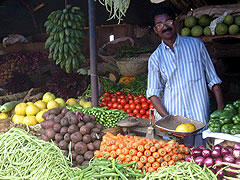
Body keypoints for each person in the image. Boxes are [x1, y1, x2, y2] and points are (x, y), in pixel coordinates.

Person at [146, 7, 224, 147]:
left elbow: (213, 80)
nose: (165, 27)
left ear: (175, 23)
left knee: (202, 157)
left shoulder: (196, 45)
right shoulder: (155, 58)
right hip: (174, 128)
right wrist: (169, 120)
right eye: (159, 24)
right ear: (155, 30)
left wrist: (220, 108)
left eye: (168, 21)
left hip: (200, 119)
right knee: (178, 162)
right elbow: (153, 94)